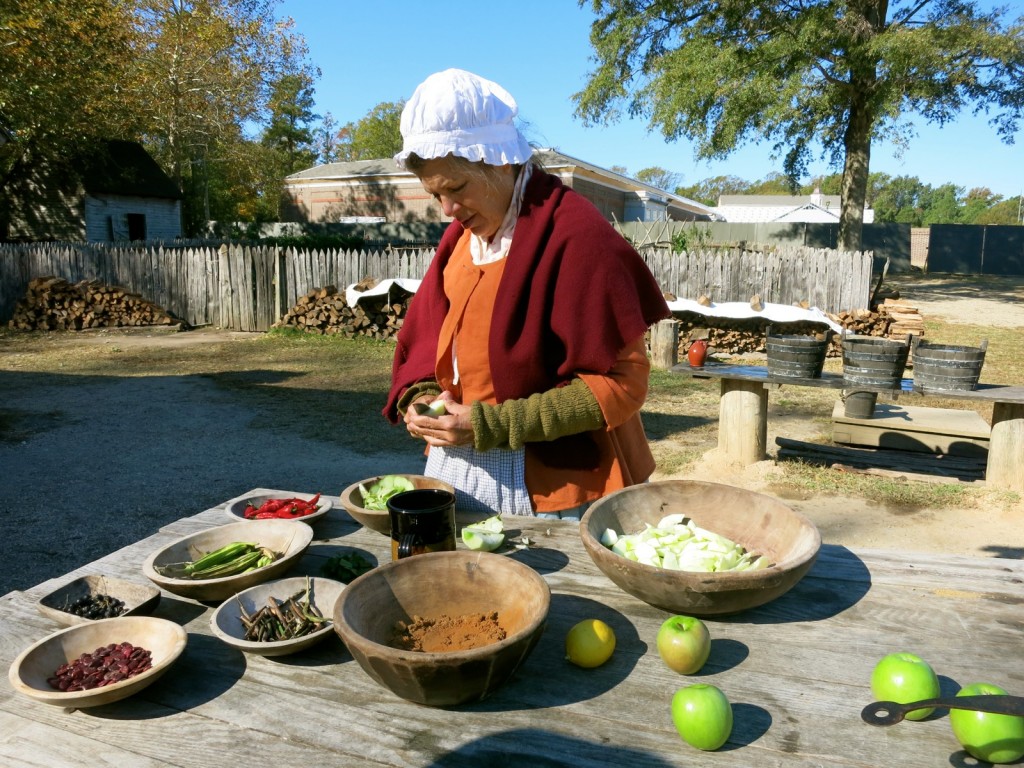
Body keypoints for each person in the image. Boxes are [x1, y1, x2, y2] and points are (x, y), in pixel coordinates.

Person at [383, 68, 671, 520]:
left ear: (497, 159)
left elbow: (622, 385)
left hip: (561, 486)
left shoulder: (577, 237)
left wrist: (490, 425)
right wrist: (419, 400)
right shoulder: (459, 242)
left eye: (456, 188)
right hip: (459, 466)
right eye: (434, 194)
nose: (448, 210)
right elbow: (429, 343)